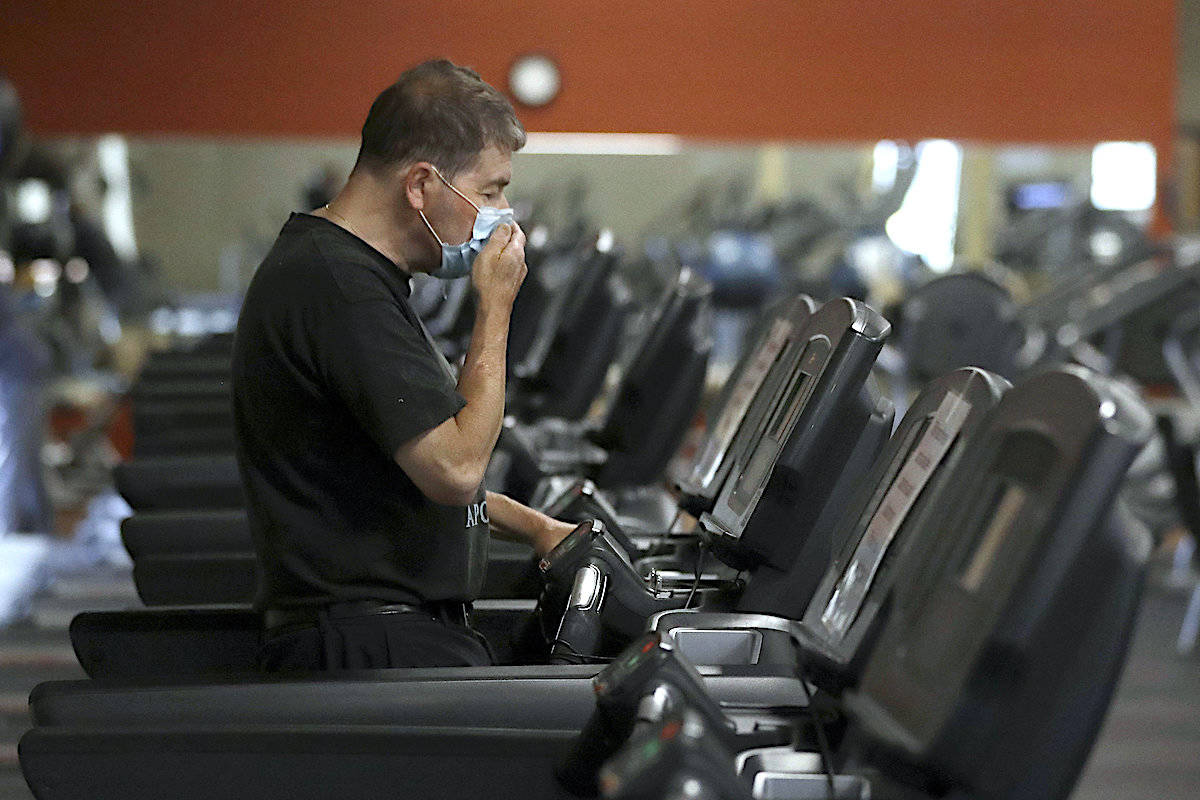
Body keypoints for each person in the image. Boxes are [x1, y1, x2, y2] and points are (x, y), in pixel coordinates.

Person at [231, 60, 576, 671]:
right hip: (368, 646)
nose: (504, 212)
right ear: (421, 186)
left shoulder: (347, 274)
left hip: (385, 632)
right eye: (492, 190)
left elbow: (383, 464)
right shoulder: (341, 288)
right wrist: (493, 310)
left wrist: (535, 527)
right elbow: (455, 469)